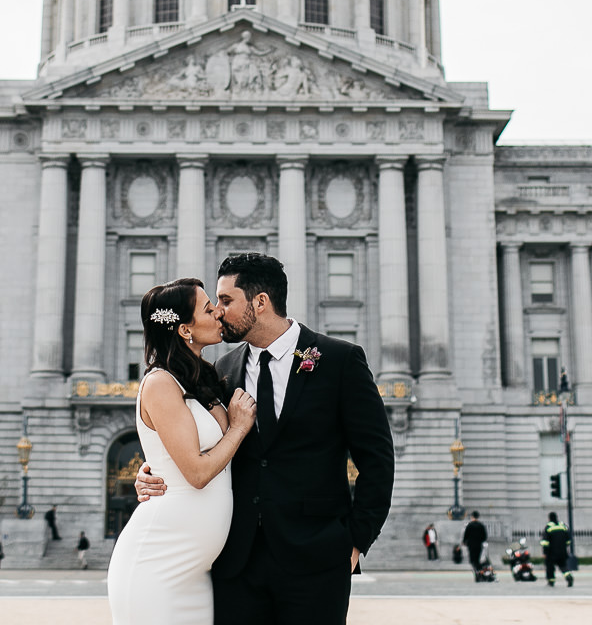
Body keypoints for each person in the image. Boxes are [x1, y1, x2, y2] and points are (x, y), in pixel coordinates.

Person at [133, 252, 396, 625]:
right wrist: (152, 470)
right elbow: (193, 441)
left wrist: (354, 544)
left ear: (260, 302)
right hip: (236, 563)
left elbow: (378, 460)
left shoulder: (340, 360)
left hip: (317, 560)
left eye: (225, 301)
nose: (219, 312)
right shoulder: (219, 372)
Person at [109, 277, 257, 623]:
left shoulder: (204, 378)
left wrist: (151, 469)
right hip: (158, 563)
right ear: (184, 329)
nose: (218, 314)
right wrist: (237, 428)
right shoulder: (160, 383)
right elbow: (197, 473)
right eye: (208, 309)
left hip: (196, 571)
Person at [542, 511, 571, 588]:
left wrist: (545, 552)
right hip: (562, 551)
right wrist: (565, 547)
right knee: (563, 565)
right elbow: (568, 540)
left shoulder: (548, 527)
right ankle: (568, 577)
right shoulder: (563, 526)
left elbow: (545, 542)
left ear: (549, 518)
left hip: (551, 552)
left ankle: (551, 581)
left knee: (550, 567)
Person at [463, 511, 488, 581]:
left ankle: (477, 572)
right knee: (477, 559)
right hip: (479, 545)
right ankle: (479, 572)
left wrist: (465, 542)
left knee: (473, 560)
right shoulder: (481, 525)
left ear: (472, 517)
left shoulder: (469, 525)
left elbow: (466, 535)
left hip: (471, 545)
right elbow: (484, 536)